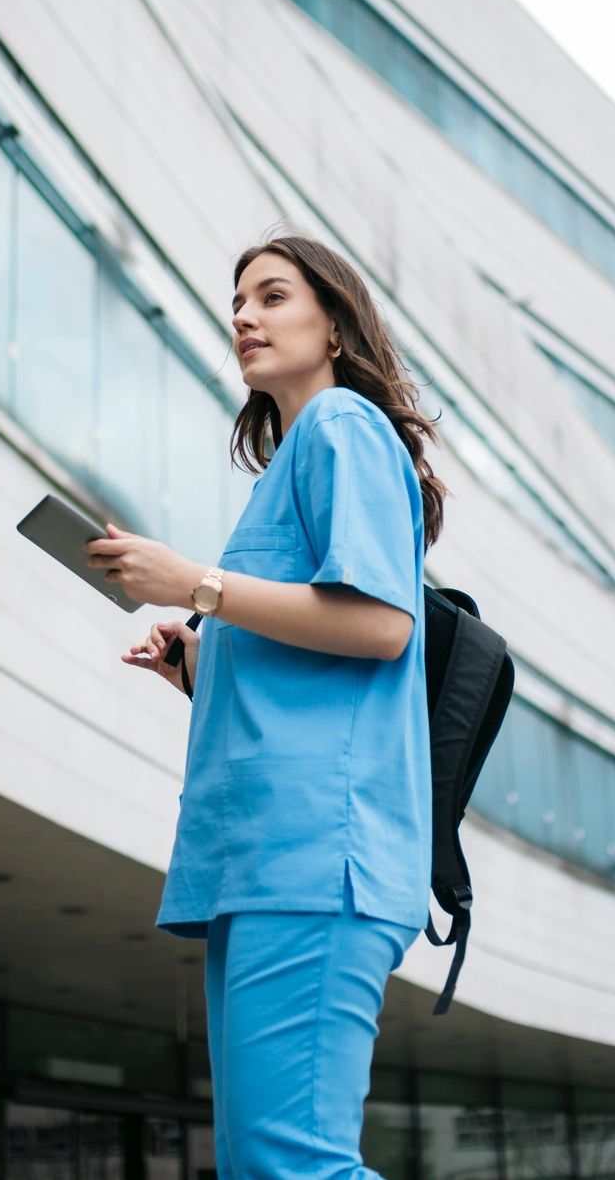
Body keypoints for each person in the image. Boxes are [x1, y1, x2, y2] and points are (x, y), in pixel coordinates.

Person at [84, 226, 448, 1178]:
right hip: (268, 860)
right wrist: (205, 664)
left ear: (336, 325)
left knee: (293, 1166)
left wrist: (193, 583)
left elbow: (380, 624)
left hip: (317, 856)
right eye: (238, 302)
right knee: (268, 1166)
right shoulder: (294, 461)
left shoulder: (341, 427)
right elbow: (315, 651)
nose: (243, 315)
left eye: (273, 296)